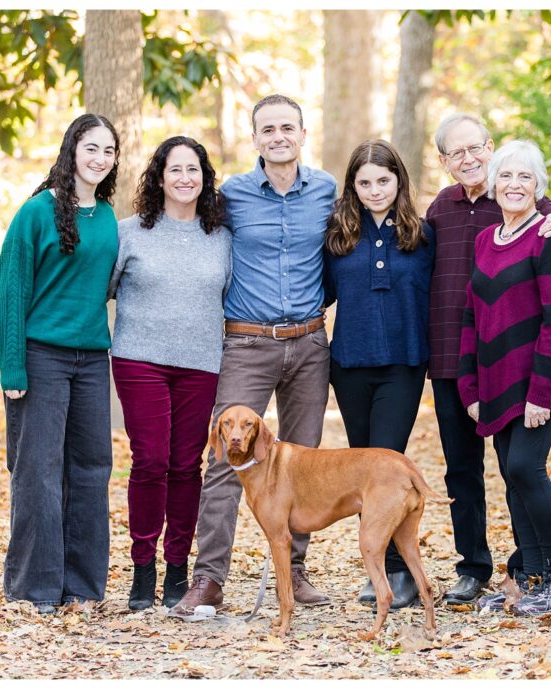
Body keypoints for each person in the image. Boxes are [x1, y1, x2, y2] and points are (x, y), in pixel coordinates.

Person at [171, 95, 337, 616]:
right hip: (246, 342)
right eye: (268, 129)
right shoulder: (233, 196)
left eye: (288, 127)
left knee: (302, 464)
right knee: (226, 459)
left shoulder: (328, 191)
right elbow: (188, 238)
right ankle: (209, 580)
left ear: (303, 133)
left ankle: (298, 571)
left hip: (310, 343)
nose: (278, 136)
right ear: (256, 139)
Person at [426, 113, 551, 607]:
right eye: (507, 176)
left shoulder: (550, 232)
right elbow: (473, 316)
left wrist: (541, 394)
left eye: (524, 177)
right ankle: (532, 580)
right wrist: (472, 388)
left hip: (539, 378)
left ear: (537, 186)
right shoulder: (477, 233)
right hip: (491, 377)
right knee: (501, 473)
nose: (513, 183)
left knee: (523, 467)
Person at [0, 113, 120, 614]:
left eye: (109, 151)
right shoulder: (36, 212)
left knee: (92, 469)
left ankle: (84, 586)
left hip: (92, 358)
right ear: (72, 150)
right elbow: (11, 291)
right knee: (38, 472)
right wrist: (12, 369)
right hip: (41, 355)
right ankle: (34, 588)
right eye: (91, 148)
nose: (100, 159)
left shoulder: (108, 216)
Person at [108, 136, 232, 610]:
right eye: (175, 169)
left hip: (201, 363)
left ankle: (178, 571)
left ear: (205, 178)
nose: (185, 178)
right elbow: (102, 289)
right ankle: (143, 571)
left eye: (193, 170)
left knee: (186, 466)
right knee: (151, 461)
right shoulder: (130, 232)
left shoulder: (221, 237)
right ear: (159, 177)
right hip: (140, 359)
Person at [322, 139, 435, 610]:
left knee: (388, 466)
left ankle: (395, 572)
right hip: (350, 365)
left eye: (383, 181)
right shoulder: (337, 235)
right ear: (352, 186)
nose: (374, 190)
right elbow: (321, 292)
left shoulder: (423, 236)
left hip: (403, 366)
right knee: (364, 474)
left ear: (399, 181)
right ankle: (381, 568)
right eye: (364, 182)